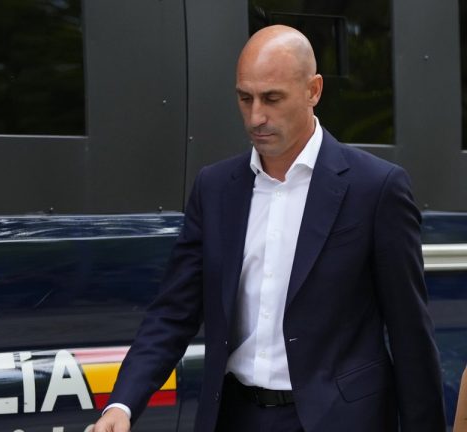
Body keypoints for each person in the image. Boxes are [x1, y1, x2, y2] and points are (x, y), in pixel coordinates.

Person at [93, 25, 446, 432]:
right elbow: (174, 312)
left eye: (272, 98)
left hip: (340, 419)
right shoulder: (215, 188)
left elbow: (410, 334)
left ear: (313, 90)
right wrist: (121, 404)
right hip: (235, 415)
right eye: (245, 99)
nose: (256, 116)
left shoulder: (376, 188)